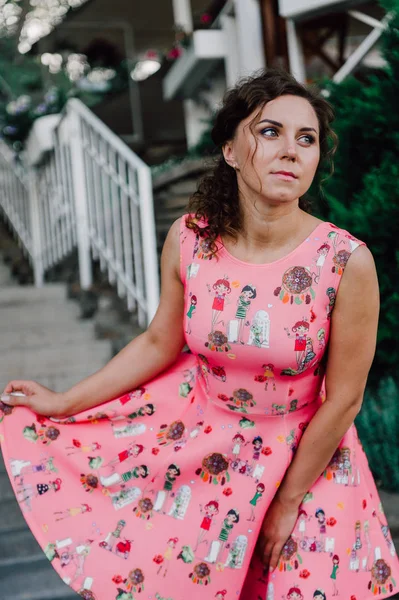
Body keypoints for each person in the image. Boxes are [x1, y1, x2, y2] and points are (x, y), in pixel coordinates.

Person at [0, 68, 398, 600]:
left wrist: (286, 501)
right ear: (231, 150)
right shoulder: (191, 239)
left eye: (307, 139)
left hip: (308, 462)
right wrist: (65, 401)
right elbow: (157, 341)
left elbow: (345, 398)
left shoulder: (345, 261)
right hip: (205, 457)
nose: (291, 150)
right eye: (270, 131)